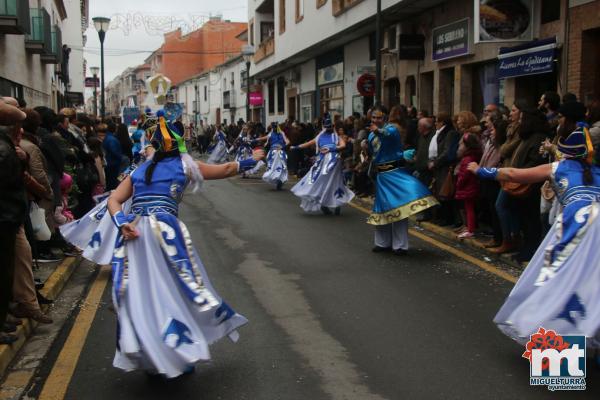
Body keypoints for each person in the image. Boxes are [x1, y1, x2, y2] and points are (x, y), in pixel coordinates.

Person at [61, 110, 264, 378]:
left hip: (134, 234)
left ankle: (151, 350)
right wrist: (253, 160)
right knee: (176, 291)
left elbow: (113, 200)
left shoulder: (140, 169)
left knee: (142, 294)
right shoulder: (185, 165)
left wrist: (123, 223)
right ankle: (178, 350)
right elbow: (226, 168)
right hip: (166, 235)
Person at [468, 101, 600, 344]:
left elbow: (512, 174)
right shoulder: (596, 171)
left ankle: (555, 350)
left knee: (558, 279)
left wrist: (480, 170)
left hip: (577, 224)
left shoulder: (558, 166)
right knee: (593, 282)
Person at [367, 105, 438, 255]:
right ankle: (382, 243)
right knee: (382, 208)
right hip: (381, 176)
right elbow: (373, 153)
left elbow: (387, 135)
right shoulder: (370, 136)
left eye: (379, 117)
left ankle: (400, 246)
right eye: (373, 117)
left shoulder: (391, 129)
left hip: (395, 173)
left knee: (399, 208)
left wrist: (378, 131)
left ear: (385, 117)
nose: (376, 120)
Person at [290, 114, 355, 215]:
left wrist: (331, 148)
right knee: (323, 182)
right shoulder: (319, 137)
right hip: (323, 163)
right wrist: (296, 147)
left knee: (334, 182)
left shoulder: (335, 136)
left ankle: (336, 204)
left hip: (333, 162)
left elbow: (343, 145)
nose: (328, 128)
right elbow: (307, 144)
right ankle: (326, 204)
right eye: (327, 127)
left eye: (330, 127)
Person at [255, 122, 290, 190]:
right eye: (273, 127)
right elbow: (265, 139)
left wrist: (283, 146)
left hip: (280, 153)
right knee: (272, 166)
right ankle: (276, 179)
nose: (274, 128)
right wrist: (256, 140)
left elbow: (288, 141)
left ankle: (280, 180)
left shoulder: (282, 133)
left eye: (274, 127)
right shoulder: (271, 133)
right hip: (273, 153)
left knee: (281, 166)